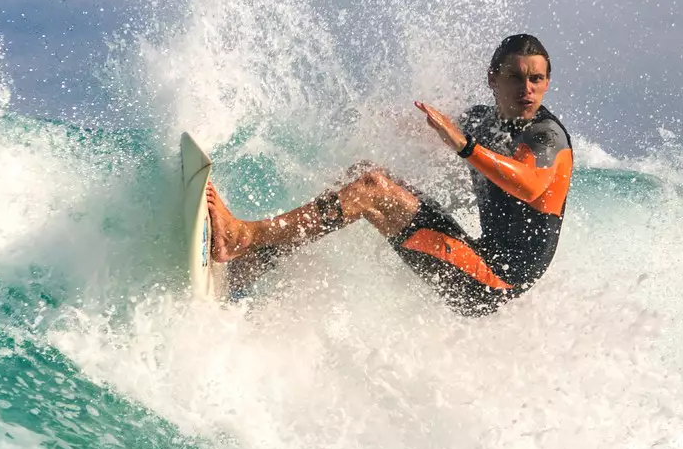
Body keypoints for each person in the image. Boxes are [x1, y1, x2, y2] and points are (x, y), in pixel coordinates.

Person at [206, 34, 573, 315]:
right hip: (477, 255)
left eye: (537, 79)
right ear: (493, 79)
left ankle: (243, 237)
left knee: (371, 192)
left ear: (548, 81)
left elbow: (529, 184)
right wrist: (373, 119)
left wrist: (465, 146)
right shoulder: (483, 120)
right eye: (516, 77)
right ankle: (255, 261)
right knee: (366, 175)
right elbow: (432, 129)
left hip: (495, 280)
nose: (527, 89)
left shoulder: (545, 136)